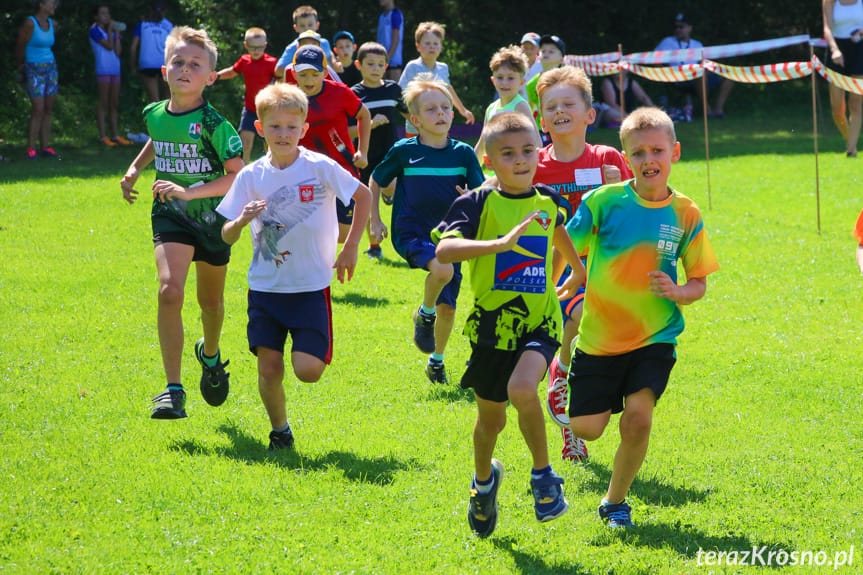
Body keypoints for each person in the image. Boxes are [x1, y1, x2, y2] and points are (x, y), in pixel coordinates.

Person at [433, 112, 585, 537]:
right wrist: (500, 245)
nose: (520, 161)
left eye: (527, 151)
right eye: (508, 154)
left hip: (539, 322)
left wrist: (572, 275)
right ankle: (483, 484)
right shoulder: (477, 202)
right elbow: (445, 250)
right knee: (491, 421)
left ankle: (544, 478)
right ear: (488, 160)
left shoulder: (550, 200)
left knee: (523, 389)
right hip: (491, 328)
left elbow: (561, 242)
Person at [566, 107, 719, 527]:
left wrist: (678, 292)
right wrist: (572, 274)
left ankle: (614, 502)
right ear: (625, 157)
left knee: (638, 418)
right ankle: (566, 381)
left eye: (657, 150)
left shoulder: (686, 212)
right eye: (638, 152)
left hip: (655, 336)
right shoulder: (603, 202)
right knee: (587, 429)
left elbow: (700, 281)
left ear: (676, 152)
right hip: (599, 338)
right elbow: (565, 245)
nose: (649, 159)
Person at [217, 83, 371, 450]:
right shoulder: (251, 176)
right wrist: (241, 221)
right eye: (275, 127)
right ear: (260, 128)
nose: (283, 134)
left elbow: (363, 196)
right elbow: (225, 234)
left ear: (303, 129)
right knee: (268, 367)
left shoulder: (319, 167)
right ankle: (280, 431)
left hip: (310, 287)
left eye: (291, 126)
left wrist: (350, 248)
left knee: (308, 370)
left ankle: (305, 353)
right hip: (266, 289)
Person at [120, 26, 244, 420]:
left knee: (211, 302)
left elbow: (237, 175)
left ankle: (210, 354)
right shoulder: (153, 113)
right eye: (178, 62)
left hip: (212, 219)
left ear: (210, 77)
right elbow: (158, 136)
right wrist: (135, 168)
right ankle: (173, 390)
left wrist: (192, 191)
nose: (185, 69)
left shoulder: (215, 124)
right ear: (164, 70)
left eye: (196, 64)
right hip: (169, 212)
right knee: (170, 291)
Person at [536, 66, 632, 464]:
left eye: (568, 104)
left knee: (596, 353)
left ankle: (572, 424)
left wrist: (618, 186)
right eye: (550, 106)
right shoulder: (535, 164)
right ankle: (561, 372)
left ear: (590, 115)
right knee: (576, 322)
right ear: (541, 118)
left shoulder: (608, 158)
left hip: (607, 271)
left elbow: (632, 212)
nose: (559, 111)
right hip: (554, 272)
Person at [369, 75, 484, 384]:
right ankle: (425, 312)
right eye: (432, 109)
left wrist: (470, 200)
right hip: (411, 232)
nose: (442, 114)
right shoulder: (404, 151)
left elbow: (481, 192)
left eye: (446, 107)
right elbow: (376, 179)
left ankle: (437, 360)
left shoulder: (463, 153)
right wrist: (375, 219)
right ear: (416, 121)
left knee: (449, 308)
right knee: (443, 270)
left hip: (452, 235)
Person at [290, 45, 370, 244]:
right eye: (303, 74)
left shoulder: (340, 92)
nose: (309, 80)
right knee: (309, 228)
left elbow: (364, 114)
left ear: (325, 73)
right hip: (305, 172)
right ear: (293, 73)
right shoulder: (289, 99)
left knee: (341, 235)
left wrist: (362, 151)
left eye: (314, 74)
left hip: (342, 168)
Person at [349, 41, 409, 259]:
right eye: (370, 64)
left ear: (386, 66)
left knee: (390, 185)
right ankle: (374, 247)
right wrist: (370, 124)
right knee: (366, 200)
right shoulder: (354, 94)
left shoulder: (393, 89)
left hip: (390, 151)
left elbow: (410, 115)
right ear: (359, 65)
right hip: (364, 154)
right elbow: (347, 131)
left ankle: (389, 194)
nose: (375, 68)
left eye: (380, 64)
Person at [398, 21, 475, 137]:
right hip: (417, 129)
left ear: (441, 47)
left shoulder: (443, 68)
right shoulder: (413, 67)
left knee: (441, 153)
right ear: (418, 46)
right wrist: (413, 119)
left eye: (435, 43)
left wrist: (463, 110)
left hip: (440, 124)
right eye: (427, 43)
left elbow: (448, 89)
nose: (432, 46)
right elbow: (399, 96)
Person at [216, 27, 277, 163]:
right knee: (245, 143)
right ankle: (244, 172)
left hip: (269, 109)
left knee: (271, 142)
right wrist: (217, 76)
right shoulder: (244, 61)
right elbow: (232, 71)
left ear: (265, 46)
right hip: (250, 109)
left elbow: (281, 80)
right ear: (246, 45)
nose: (256, 51)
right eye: (252, 47)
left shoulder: (272, 63)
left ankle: (273, 168)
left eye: (260, 47)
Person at [654, 12, 733, 119]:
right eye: (675, 27)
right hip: (678, 78)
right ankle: (707, 110)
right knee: (701, 74)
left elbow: (704, 63)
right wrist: (665, 74)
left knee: (728, 75)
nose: (678, 29)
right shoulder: (667, 42)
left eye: (681, 27)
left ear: (689, 28)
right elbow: (655, 60)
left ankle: (718, 109)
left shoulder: (697, 44)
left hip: (697, 75)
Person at [474, 45, 534, 176]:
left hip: (514, 173)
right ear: (493, 80)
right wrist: (470, 168)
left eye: (511, 78)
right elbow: (483, 142)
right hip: (491, 173)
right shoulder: (491, 108)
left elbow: (536, 142)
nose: (504, 83)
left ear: (522, 82)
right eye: (500, 77)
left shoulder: (520, 106)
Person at [15, 0, 60, 159]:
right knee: (38, 108)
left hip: (50, 68)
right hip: (33, 68)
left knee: (48, 109)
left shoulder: (53, 24)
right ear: (41, 4)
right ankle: (31, 148)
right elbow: (20, 45)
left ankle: (46, 147)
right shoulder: (30, 23)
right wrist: (21, 66)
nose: (54, 6)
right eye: (51, 3)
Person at [823, 0, 863, 157]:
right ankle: (850, 141)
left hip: (860, 49)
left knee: (856, 103)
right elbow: (827, 28)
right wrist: (834, 50)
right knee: (837, 109)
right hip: (837, 49)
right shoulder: (830, 2)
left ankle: (851, 149)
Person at [89, 5, 132, 147]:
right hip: (103, 70)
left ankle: (115, 135)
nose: (106, 16)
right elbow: (107, 46)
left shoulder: (112, 31)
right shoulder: (94, 30)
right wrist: (110, 30)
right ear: (96, 16)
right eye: (102, 13)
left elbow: (117, 51)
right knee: (103, 102)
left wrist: (117, 35)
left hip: (115, 69)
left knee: (114, 103)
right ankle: (103, 136)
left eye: (108, 13)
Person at [274, 5, 336, 81]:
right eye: (302, 26)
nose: (306, 28)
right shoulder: (292, 48)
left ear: (317, 25)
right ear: (295, 28)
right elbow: (278, 71)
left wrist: (334, 63)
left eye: (310, 25)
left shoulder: (324, 43)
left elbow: (330, 62)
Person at [129, 0, 173, 103]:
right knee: (167, 99)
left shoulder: (142, 24)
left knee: (154, 101)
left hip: (147, 63)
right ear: (165, 10)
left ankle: (155, 118)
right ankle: (167, 118)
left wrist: (133, 67)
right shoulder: (169, 26)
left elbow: (133, 48)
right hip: (164, 63)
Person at [526, 34, 566, 144]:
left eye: (551, 51)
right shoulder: (531, 84)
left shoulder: (568, 81)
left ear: (562, 59)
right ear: (538, 56)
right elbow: (530, 109)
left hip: (565, 125)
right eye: (543, 51)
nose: (546, 53)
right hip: (541, 130)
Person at [377, 0, 404, 81]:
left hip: (394, 61)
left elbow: (396, 39)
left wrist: (387, 59)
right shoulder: (381, 16)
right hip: (381, 59)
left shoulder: (395, 14)